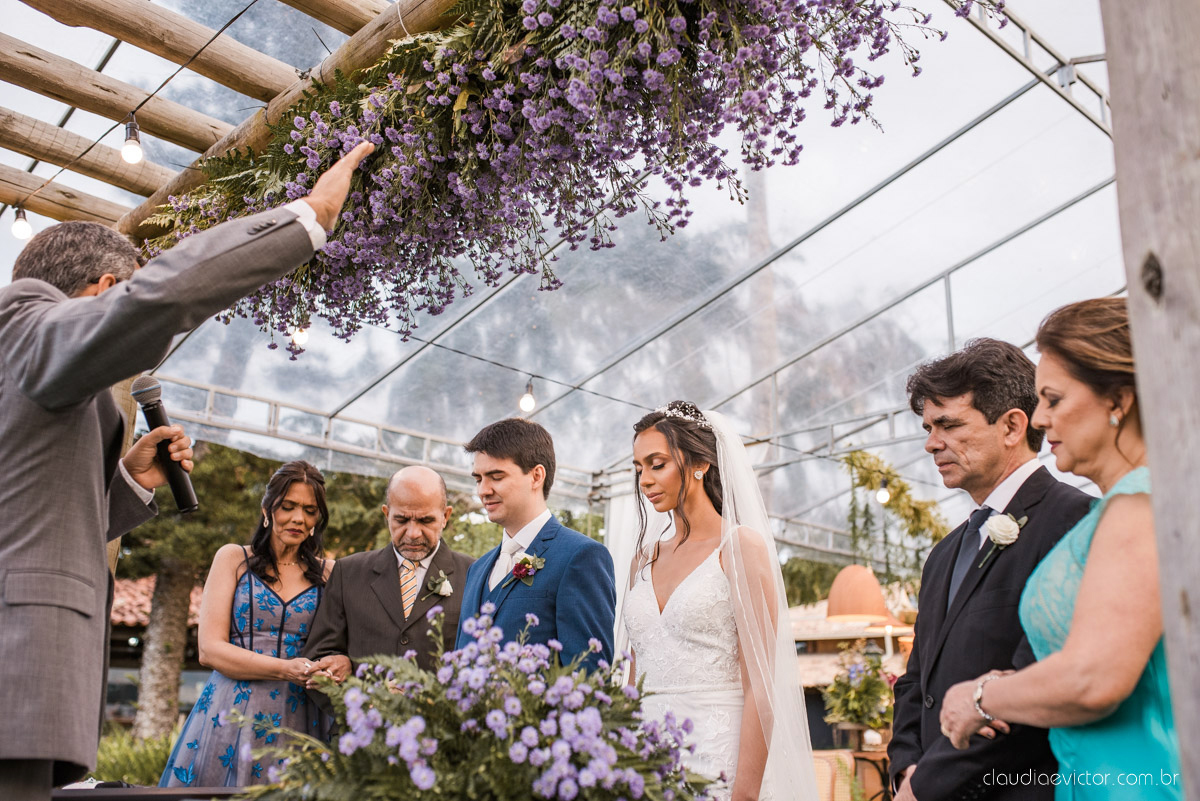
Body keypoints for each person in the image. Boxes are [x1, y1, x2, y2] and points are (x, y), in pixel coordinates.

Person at [0, 139, 372, 801]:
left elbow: (31, 510)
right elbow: (158, 299)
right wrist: (308, 217)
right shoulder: (25, 326)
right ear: (104, 292)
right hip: (16, 670)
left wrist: (130, 482)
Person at [940, 298, 1181, 799]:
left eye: (1053, 399)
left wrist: (981, 696)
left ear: (1118, 399)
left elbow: (1095, 678)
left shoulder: (1138, 505)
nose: (1040, 419)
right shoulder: (1123, 507)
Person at [889, 338, 1092, 801]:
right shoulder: (943, 555)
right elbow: (916, 681)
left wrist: (926, 786)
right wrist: (904, 767)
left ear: (1012, 426)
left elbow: (1038, 679)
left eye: (948, 424)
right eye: (927, 426)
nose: (930, 443)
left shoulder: (1075, 521)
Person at [620, 401, 818, 801]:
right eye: (639, 467)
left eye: (657, 464)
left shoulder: (739, 547)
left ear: (700, 463)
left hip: (717, 762)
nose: (644, 479)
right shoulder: (643, 559)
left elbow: (761, 688)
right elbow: (633, 676)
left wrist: (742, 795)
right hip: (644, 763)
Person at [159, 461, 332, 787]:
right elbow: (209, 650)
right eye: (288, 506)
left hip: (300, 717)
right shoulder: (233, 559)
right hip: (231, 711)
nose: (298, 518)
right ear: (267, 509)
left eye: (310, 510)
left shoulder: (330, 574)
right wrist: (285, 669)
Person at [454, 418, 616, 672]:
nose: (483, 490)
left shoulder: (581, 556)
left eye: (496, 476)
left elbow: (589, 675)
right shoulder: (477, 569)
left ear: (536, 476)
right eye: (478, 479)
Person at [304, 465, 475, 679]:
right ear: (386, 514)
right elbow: (320, 656)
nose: (413, 533)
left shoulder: (474, 575)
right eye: (401, 520)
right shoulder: (347, 572)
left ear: (445, 516)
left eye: (426, 520)